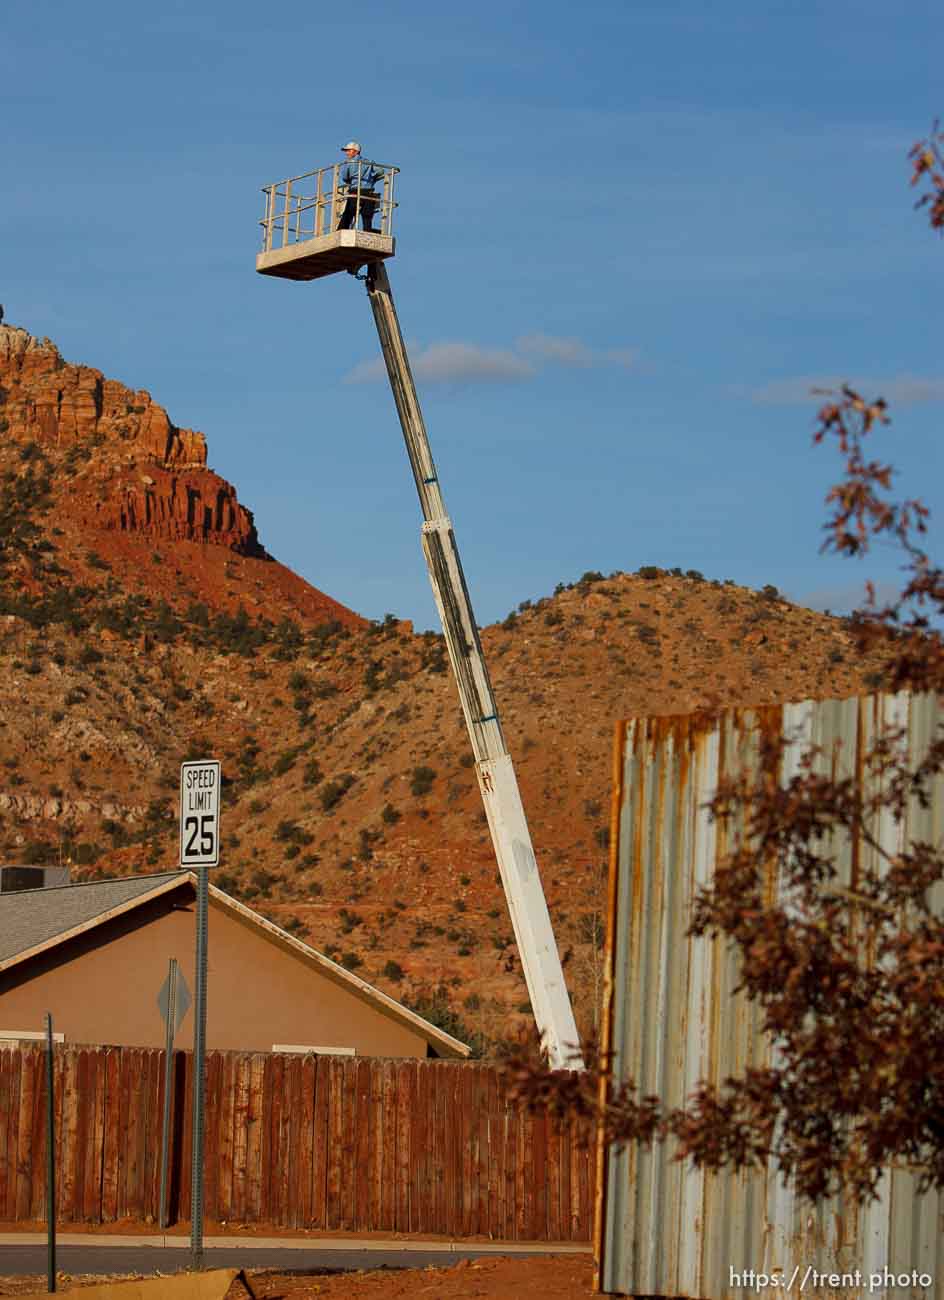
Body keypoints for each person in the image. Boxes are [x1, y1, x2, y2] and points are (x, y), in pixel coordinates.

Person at [337, 141, 382, 232]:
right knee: (367, 214)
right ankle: (368, 231)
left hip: (355, 190)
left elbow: (345, 177)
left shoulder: (349, 162)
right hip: (368, 191)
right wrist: (371, 178)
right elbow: (380, 171)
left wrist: (351, 180)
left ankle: (341, 230)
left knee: (349, 212)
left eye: (349, 151)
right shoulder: (369, 162)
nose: (347, 153)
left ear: (356, 151)